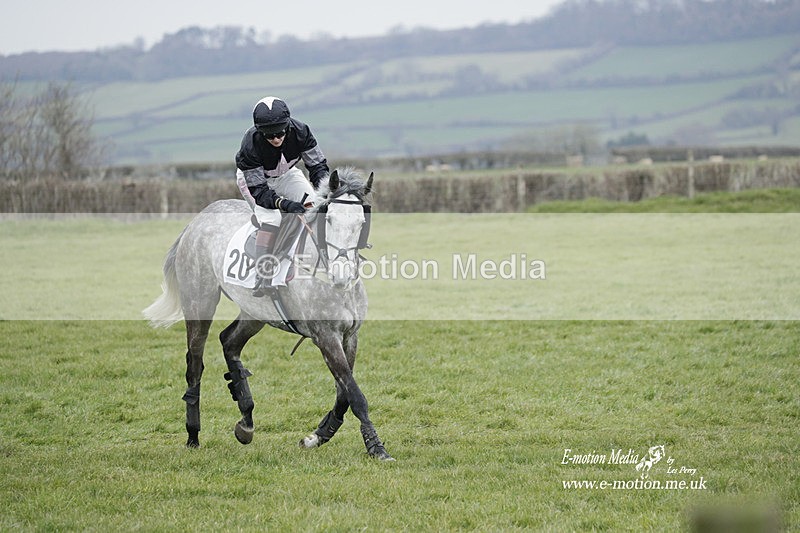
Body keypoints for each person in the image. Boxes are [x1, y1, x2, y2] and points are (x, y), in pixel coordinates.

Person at [235, 96, 329, 296]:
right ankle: (263, 273)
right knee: (272, 218)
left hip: (288, 174)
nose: (276, 139)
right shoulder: (250, 145)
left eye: (280, 133)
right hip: (256, 181)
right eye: (269, 136)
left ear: (288, 125)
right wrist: (284, 204)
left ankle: (325, 257)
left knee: (315, 207)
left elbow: (317, 167)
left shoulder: (302, 131)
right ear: (260, 132)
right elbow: (260, 192)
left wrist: (326, 191)